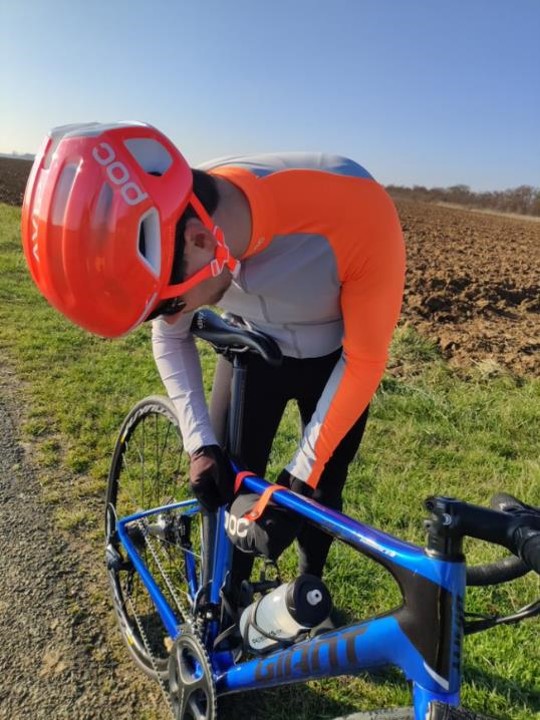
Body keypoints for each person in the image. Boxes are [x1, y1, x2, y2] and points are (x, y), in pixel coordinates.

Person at [22, 121, 405, 583]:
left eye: (170, 304)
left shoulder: (359, 212)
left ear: (202, 242)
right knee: (229, 484)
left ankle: (310, 587)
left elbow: (364, 360)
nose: (172, 316)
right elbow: (170, 336)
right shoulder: (176, 217)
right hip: (251, 350)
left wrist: (299, 476)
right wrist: (200, 443)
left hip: (336, 362)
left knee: (321, 491)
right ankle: (228, 593)